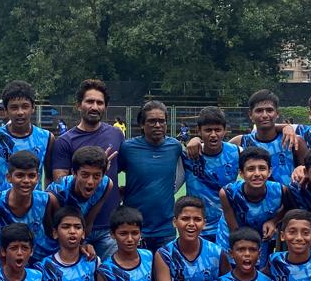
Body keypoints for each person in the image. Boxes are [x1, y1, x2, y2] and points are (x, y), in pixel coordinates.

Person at [118, 99, 184, 252]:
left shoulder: (175, 147)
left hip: (165, 229)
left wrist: (196, 139)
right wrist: (117, 193)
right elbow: (111, 173)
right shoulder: (128, 148)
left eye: (162, 121)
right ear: (142, 124)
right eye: (152, 121)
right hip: (134, 228)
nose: (158, 125)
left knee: (165, 267)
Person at [0, 150, 56, 273]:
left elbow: (54, 235)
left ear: (37, 178)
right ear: (9, 177)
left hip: (31, 271)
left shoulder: (46, 201)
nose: (26, 180)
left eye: (31, 175)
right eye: (20, 175)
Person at [180, 107, 240, 244]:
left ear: (225, 130)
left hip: (225, 226)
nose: (213, 134)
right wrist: (194, 139)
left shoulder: (236, 153)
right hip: (197, 227)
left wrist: (286, 127)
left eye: (218, 130)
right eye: (208, 130)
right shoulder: (187, 155)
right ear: (199, 131)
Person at [47, 145, 117, 259]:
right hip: (51, 241)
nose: (90, 181)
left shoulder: (106, 185)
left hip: (76, 234)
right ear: (74, 173)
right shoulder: (56, 194)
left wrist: (82, 244)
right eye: (85, 175)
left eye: (97, 176)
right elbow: (52, 230)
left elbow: (89, 221)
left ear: (103, 175)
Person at [0, 80, 54, 190]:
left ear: (33, 108)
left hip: (33, 200)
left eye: (25, 106)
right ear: (6, 110)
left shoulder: (46, 138)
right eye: (14, 107)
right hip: (1, 201)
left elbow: (49, 177)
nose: (20, 112)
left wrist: (44, 198)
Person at [217, 147, 285, 259]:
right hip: (232, 239)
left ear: (269, 171)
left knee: (261, 268)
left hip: (261, 240)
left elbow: (287, 207)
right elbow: (235, 231)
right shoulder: (228, 193)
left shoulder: (280, 191)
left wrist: (274, 221)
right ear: (241, 173)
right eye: (251, 169)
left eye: (262, 168)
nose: (257, 173)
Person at [236, 89, 304, 185]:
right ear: (250, 115)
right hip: (253, 195)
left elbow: (310, 173)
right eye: (259, 111)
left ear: (277, 113)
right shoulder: (240, 142)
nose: (264, 115)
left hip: (289, 194)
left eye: (269, 110)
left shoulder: (294, 141)